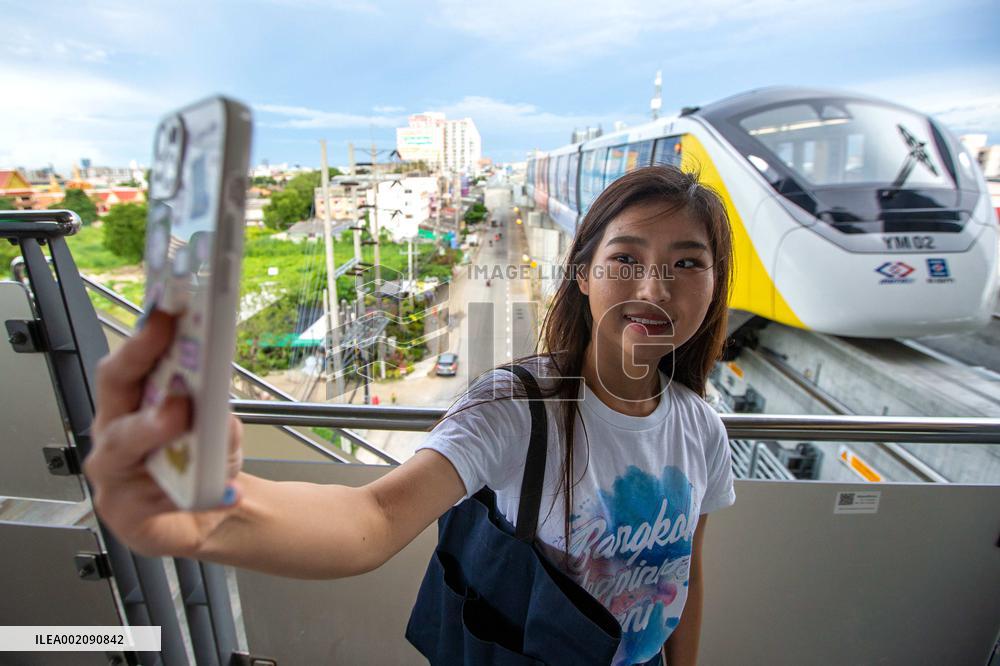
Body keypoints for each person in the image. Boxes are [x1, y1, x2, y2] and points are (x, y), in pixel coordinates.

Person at [84, 165, 735, 666]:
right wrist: (220, 509)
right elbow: (376, 516)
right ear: (585, 273)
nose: (655, 287)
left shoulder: (700, 428)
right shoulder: (516, 406)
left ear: (715, 282)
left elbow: (688, 575)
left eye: (687, 262)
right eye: (626, 258)